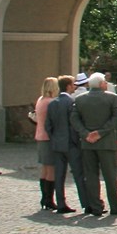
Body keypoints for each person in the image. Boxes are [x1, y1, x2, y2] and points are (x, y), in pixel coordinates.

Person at [70, 72, 117, 216]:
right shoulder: (111, 98)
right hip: (106, 142)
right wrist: (101, 132)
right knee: (110, 176)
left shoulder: (80, 99)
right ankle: (115, 206)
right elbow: (116, 118)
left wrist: (85, 133)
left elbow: (74, 119)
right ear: (101, 84)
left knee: (91, 175)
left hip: (88, 142)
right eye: (105, 82)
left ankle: (96, 207)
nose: (107, 84)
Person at [47, 76, 81, 214]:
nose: (75, 86)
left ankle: (61, 203)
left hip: (57, 144)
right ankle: (86, 203)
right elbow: (73, 124)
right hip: (70, 144)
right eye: (73, 84)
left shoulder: (53, 103)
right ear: (68, 86)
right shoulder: (71, 102)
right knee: (78, 174)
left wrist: (54, 139)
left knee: (59, 176)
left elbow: (48, 126)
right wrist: (75, 140)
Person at [33, 76, 59, 210]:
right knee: (51, 169)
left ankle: (45, 197)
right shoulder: (50, 102)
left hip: (40, 136)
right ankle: (49, 198)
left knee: (44, 168)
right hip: (48, 138)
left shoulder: (40, 100)